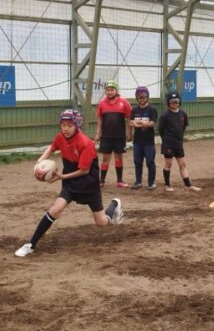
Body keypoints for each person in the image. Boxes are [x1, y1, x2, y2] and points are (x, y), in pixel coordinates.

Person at [15, 109, 123, 258]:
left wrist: (62, 177)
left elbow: (84, 171)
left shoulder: (86, 143)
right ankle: (30, 245)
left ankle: (115, 205)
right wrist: (39, 162)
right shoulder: (60, 137)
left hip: (88, 184)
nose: (65, 128)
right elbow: (52, 148)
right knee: (55, 210)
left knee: (102, 223)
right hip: (70, 183)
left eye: (70, 125)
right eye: (63, 125)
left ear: (77, 126)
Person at [158, 92, 200, 192]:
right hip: (168, 144)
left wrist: (179, 138)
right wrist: (166, 140)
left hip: (178, 144)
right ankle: (167, 185)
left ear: (179, 102)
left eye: (176, 101)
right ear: (168, 103)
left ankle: (188, 185)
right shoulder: (165, 115)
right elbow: (161, 130)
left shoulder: (183, 114)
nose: (174, 103)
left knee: (182, 164)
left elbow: (183, 127)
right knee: (168, 164)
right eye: (172, 102)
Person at [94, 80, 131, 188]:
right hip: (106, 136)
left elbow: (129, 118)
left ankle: (119, 181)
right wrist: (98, 133)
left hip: (119, 136)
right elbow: (99, 119)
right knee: (105, 159)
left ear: (116, 90)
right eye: (108, 90)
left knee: (118, 158)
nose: (110, 92)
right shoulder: (102, 103)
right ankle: (101, 181)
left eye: (112, 90)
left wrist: (129, 133)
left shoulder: (124, 102)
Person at [129, 86, 157, 190]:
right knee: (137, 162)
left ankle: (151, 182)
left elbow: (152, 123)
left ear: (147, 96)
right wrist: (141, 123)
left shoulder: (152, 109)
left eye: (144, 96)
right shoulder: (134, 110)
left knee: (150, 162)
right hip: (137, 141)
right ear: (136, 97)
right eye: (139, 96)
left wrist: (139, 123)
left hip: (149, 142)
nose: (142, 98)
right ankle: (138, 182)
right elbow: (131, 122)